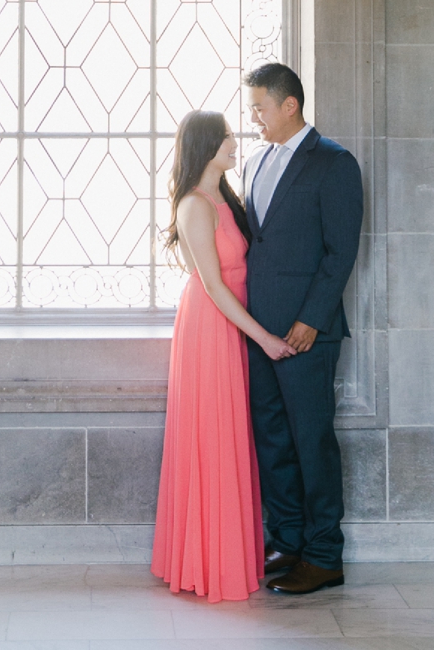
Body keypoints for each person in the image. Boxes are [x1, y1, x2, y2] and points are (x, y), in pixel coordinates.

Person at [151, 110, 296, 602]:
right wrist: (265, 337)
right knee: (213, 435)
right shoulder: (195, 205)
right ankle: (207, 562)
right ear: (207, 145)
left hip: (231, 324)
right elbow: (211, 285)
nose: (237, 142)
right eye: (228, 136)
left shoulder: (225, 199)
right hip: (213, 328)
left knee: (232, 434)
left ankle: (227, 552)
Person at [242, 63, 363, 594]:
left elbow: (341, 253)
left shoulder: (334, 163)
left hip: (307, 334)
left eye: (259, 108)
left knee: (312, 442)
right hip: (259, 333)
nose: (253, 118)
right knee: (272, 440)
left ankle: (323, 556)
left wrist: (311, 319)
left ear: (289, 105)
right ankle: (287, 541)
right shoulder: (253, 162)